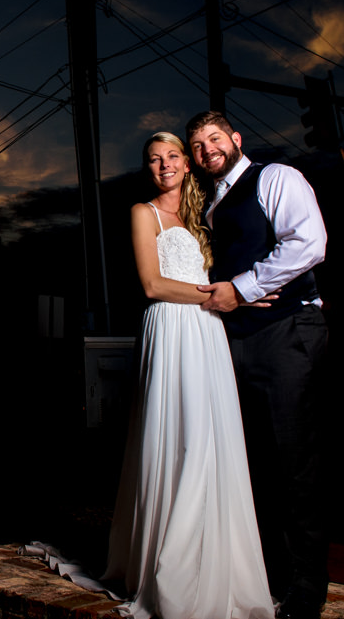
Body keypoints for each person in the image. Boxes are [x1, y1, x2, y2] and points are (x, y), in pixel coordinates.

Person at [102, 131, 274, 619]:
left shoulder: (206, 215)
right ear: (147, 168)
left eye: (173, 155)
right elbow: (153, 284)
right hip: (172, 328)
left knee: (213, 442)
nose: (164, 165)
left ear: (187, 162)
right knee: (178, 439)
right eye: (154, 159)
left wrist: (247, 291)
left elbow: (236, 266)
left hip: (209, 334)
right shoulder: (144, 212)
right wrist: (225, 296)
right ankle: (169, 568)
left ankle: (215, 564)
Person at [185, 111, 330, 619]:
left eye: (214, 139)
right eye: (197, 146)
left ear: (236, 139)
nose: (207, 151)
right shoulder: (210, 205)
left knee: (295, 464)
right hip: (237, 342)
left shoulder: (275, 177)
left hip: (288, 333)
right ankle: (269, 573)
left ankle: (308, 587)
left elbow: (309, 244)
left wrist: (242, 288)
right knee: (254, 465)